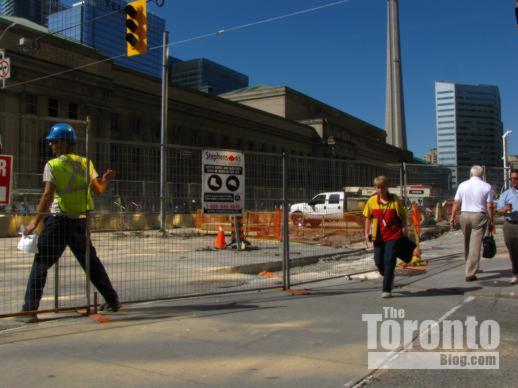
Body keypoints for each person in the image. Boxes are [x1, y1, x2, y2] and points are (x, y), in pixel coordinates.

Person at [18, 123, 121, 322]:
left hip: (58, 221)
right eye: (50, 142)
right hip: (80, 222)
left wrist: (34, 222)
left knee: (41, 263)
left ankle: (29, 310)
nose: (51, 145)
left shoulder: (53, 165)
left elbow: (47, 196)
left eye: (54, 141)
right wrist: (106, 180)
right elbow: (98, 190)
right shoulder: (86, 163)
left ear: (65, 142)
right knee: (91, 264)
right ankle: (113, 301)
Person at [363, 176, 407, 298]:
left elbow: (403, 215)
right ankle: (389, 275)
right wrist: (366, 233)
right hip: (378, 236)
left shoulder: (394, 200)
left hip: (393, 235)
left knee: (389, 261)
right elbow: (367, 218)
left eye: (382, 187)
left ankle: (386, 289)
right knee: (378, 261)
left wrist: (404, 227)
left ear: (387, 187)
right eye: (377, 187)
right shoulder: (371, 201)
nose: (379, 190)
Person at [449, 165, 494, 282]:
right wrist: (491, 220)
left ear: (470, 174)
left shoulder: (462, 185)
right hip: (479, 215)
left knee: (467, 242)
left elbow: (456, 202)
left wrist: (453, 216)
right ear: (482, 175)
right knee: (475, 245)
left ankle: (470, 265)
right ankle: (470, 272)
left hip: (464, 215)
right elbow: (489, 206)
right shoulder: (487, 186)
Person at [497, 169, 518, 284]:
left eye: (516, 179)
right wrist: (503, 209)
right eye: (512, 179)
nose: (513, 181)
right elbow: (499, 209)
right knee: (512, 250)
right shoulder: (506, 194)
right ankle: (515, 273)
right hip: (510, 224)